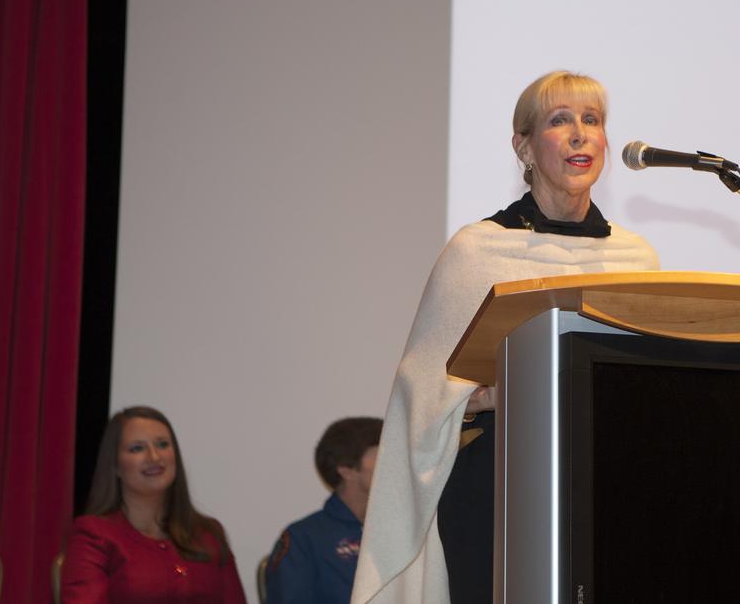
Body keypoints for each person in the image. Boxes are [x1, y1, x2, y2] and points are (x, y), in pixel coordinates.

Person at [351, 71, 659, 604]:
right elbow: (423, 391)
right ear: (524, 145)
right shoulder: (478, 252)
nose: (580, 134)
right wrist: (495, 395)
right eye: (560, 121)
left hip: (607, 485)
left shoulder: (635, 259)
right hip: (496, 484)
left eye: (592, 120)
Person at [60, 405, 247, 604]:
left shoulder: (209, 534)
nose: (154, 457)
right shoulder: (93, 535)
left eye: (163, 445)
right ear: (115, 465)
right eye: (137, 448)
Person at [266, 416, 384, 604]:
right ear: (346, 469)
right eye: (384, 455)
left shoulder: (405, 530)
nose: (397, 465)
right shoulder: (303, 539)